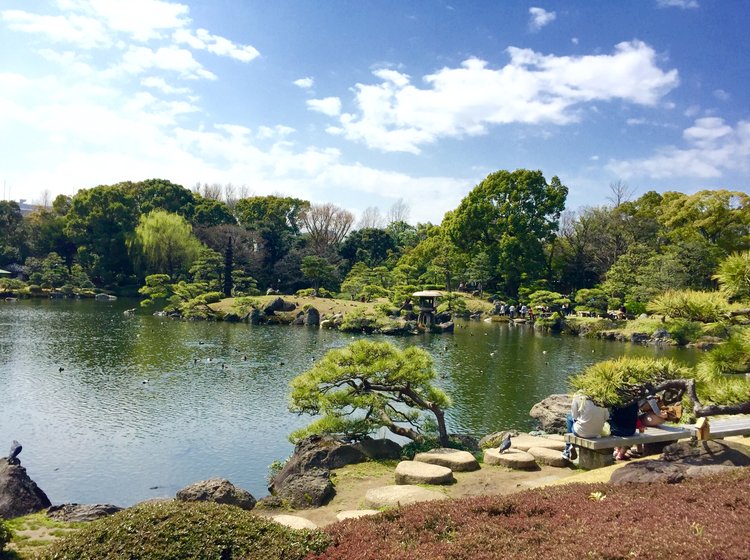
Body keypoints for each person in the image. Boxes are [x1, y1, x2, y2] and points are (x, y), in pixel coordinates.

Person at [562, 393, 610, 461]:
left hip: (581, 432)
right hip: (597, 433)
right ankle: (570, 447)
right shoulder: (602, 396)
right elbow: (606, 417)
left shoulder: (578, 395)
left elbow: (574, 416)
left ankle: (567, 449)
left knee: (569, 416)